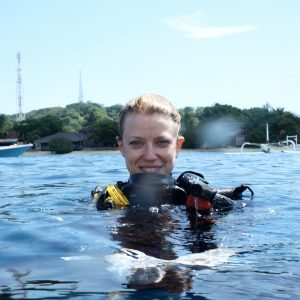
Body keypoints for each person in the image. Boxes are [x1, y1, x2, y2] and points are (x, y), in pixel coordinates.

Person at [92, 93, 253, 211]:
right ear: (121, 147)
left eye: (162, 142)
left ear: (177, 146)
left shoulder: (206, 198)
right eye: (136, 143)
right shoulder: (105, 203)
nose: (149, 156)